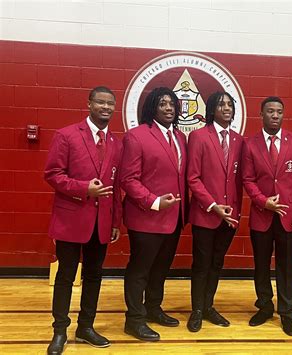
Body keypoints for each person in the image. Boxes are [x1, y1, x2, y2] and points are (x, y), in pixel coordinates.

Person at [44, 86, 122, 355]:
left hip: (101, 222)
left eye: (110, 103)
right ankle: (59, 331)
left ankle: (85, 327)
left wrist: (115, 222)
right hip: (71, 220)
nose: (106, 107)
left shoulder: (115, 142)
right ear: (89, 104)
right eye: (100, 102)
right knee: (66, 276)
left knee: (94, 275)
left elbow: (117, 185)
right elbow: (53, 174)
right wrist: (82, 188)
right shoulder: (66, 135)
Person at [120, 87, 188, 341]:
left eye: (172, 104)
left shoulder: (181, 137)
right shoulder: (136, 136)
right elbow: (128, 179)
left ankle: (153, 309)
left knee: (160, 269)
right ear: (151, 108)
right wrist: (154, 201)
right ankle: (134, 320)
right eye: (162, 104)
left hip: (173, 219)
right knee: (140, 270)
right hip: (146, 216)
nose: (169, 108)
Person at [242, 96, 292, 336]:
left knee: (287, 266)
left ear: (283, 114)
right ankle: (265, 306)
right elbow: (247, 180)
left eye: (279, 111)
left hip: (289, 217)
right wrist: (263, 201)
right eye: (270, 111)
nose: (275, 115)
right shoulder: (250, 144)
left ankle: (287, 312)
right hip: (261, 215)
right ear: (262, 114)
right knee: (261, 265)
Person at [186, 91, 244, 332]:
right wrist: (212, 205)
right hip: (206, 213)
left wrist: (232, 211)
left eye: (230, 105)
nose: (226, 108)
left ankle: (209, 306)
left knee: (217, 263)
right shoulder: (199, 136)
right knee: (201, 264)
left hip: (229, 216)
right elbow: (193, 177)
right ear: (212, 109)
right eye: (221, 105)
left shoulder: (240, 140)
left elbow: (241, 179)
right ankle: (197, 310)